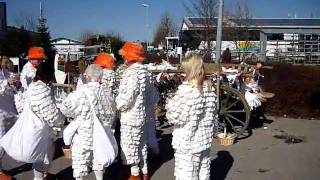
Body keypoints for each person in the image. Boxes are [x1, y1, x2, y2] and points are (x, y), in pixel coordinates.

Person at [166, 55, 218, 180]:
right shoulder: (209, 89)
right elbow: (214, 117)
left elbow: (175, 118)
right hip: (204, 139)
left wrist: (170, 104)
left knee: (186, 173)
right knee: (203, 170)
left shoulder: (186, 90)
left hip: (187, 141)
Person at [60, 64, 116, 180]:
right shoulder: (107, 94)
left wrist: (76, 116)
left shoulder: (81, 92)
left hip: (83, 133)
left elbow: (66, 109)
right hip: (101, 133)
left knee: (80, 161)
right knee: (98, 159)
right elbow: (112, 114)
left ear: (88, 76)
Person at [116, 42, 151, 180]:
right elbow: (151, 95)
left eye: (124, 55)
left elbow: (128, 97)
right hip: (141, 114)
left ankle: (135, 175)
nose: (123, 58)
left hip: (130, 116)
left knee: (130, 145)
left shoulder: (131, 73)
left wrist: (117, 105)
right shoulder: (144, 71)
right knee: (141, 144)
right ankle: (145, 172)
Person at [0, 57, 19, 180]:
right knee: (0, 142)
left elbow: (14, 92)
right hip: (0, 113)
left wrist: (16, 84)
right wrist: (6, 83)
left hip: (10, 113)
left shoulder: (7, 73)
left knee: (6, 142)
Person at [15, 47, 47, 115]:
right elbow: (25, 82)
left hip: (33, 92)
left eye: (41, 59)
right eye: (38, 59)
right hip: (28, 94)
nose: (40, 61)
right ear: (32, 59)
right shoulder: (28, 68)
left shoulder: (34, 67)